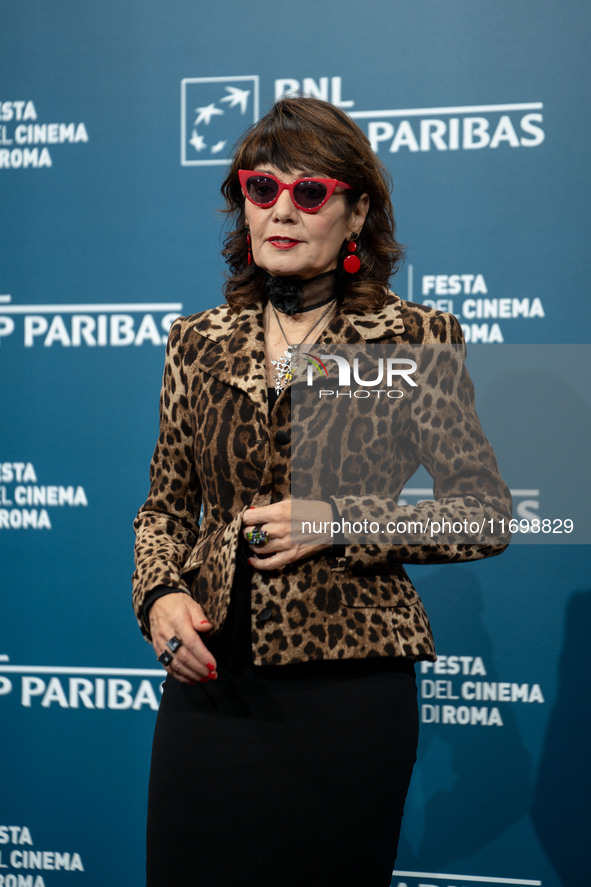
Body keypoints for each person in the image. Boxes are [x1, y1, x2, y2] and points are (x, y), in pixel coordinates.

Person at [132, 96, 511, 887]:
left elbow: (483, 510)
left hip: (348, 693)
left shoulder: (415, 338)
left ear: (356, 209)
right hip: (211, 683)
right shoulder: (195, 342)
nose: (281, 209)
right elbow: (166, 508)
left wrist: (338, 520)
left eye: (310, 192)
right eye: (260, 187)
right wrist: (159, 595)